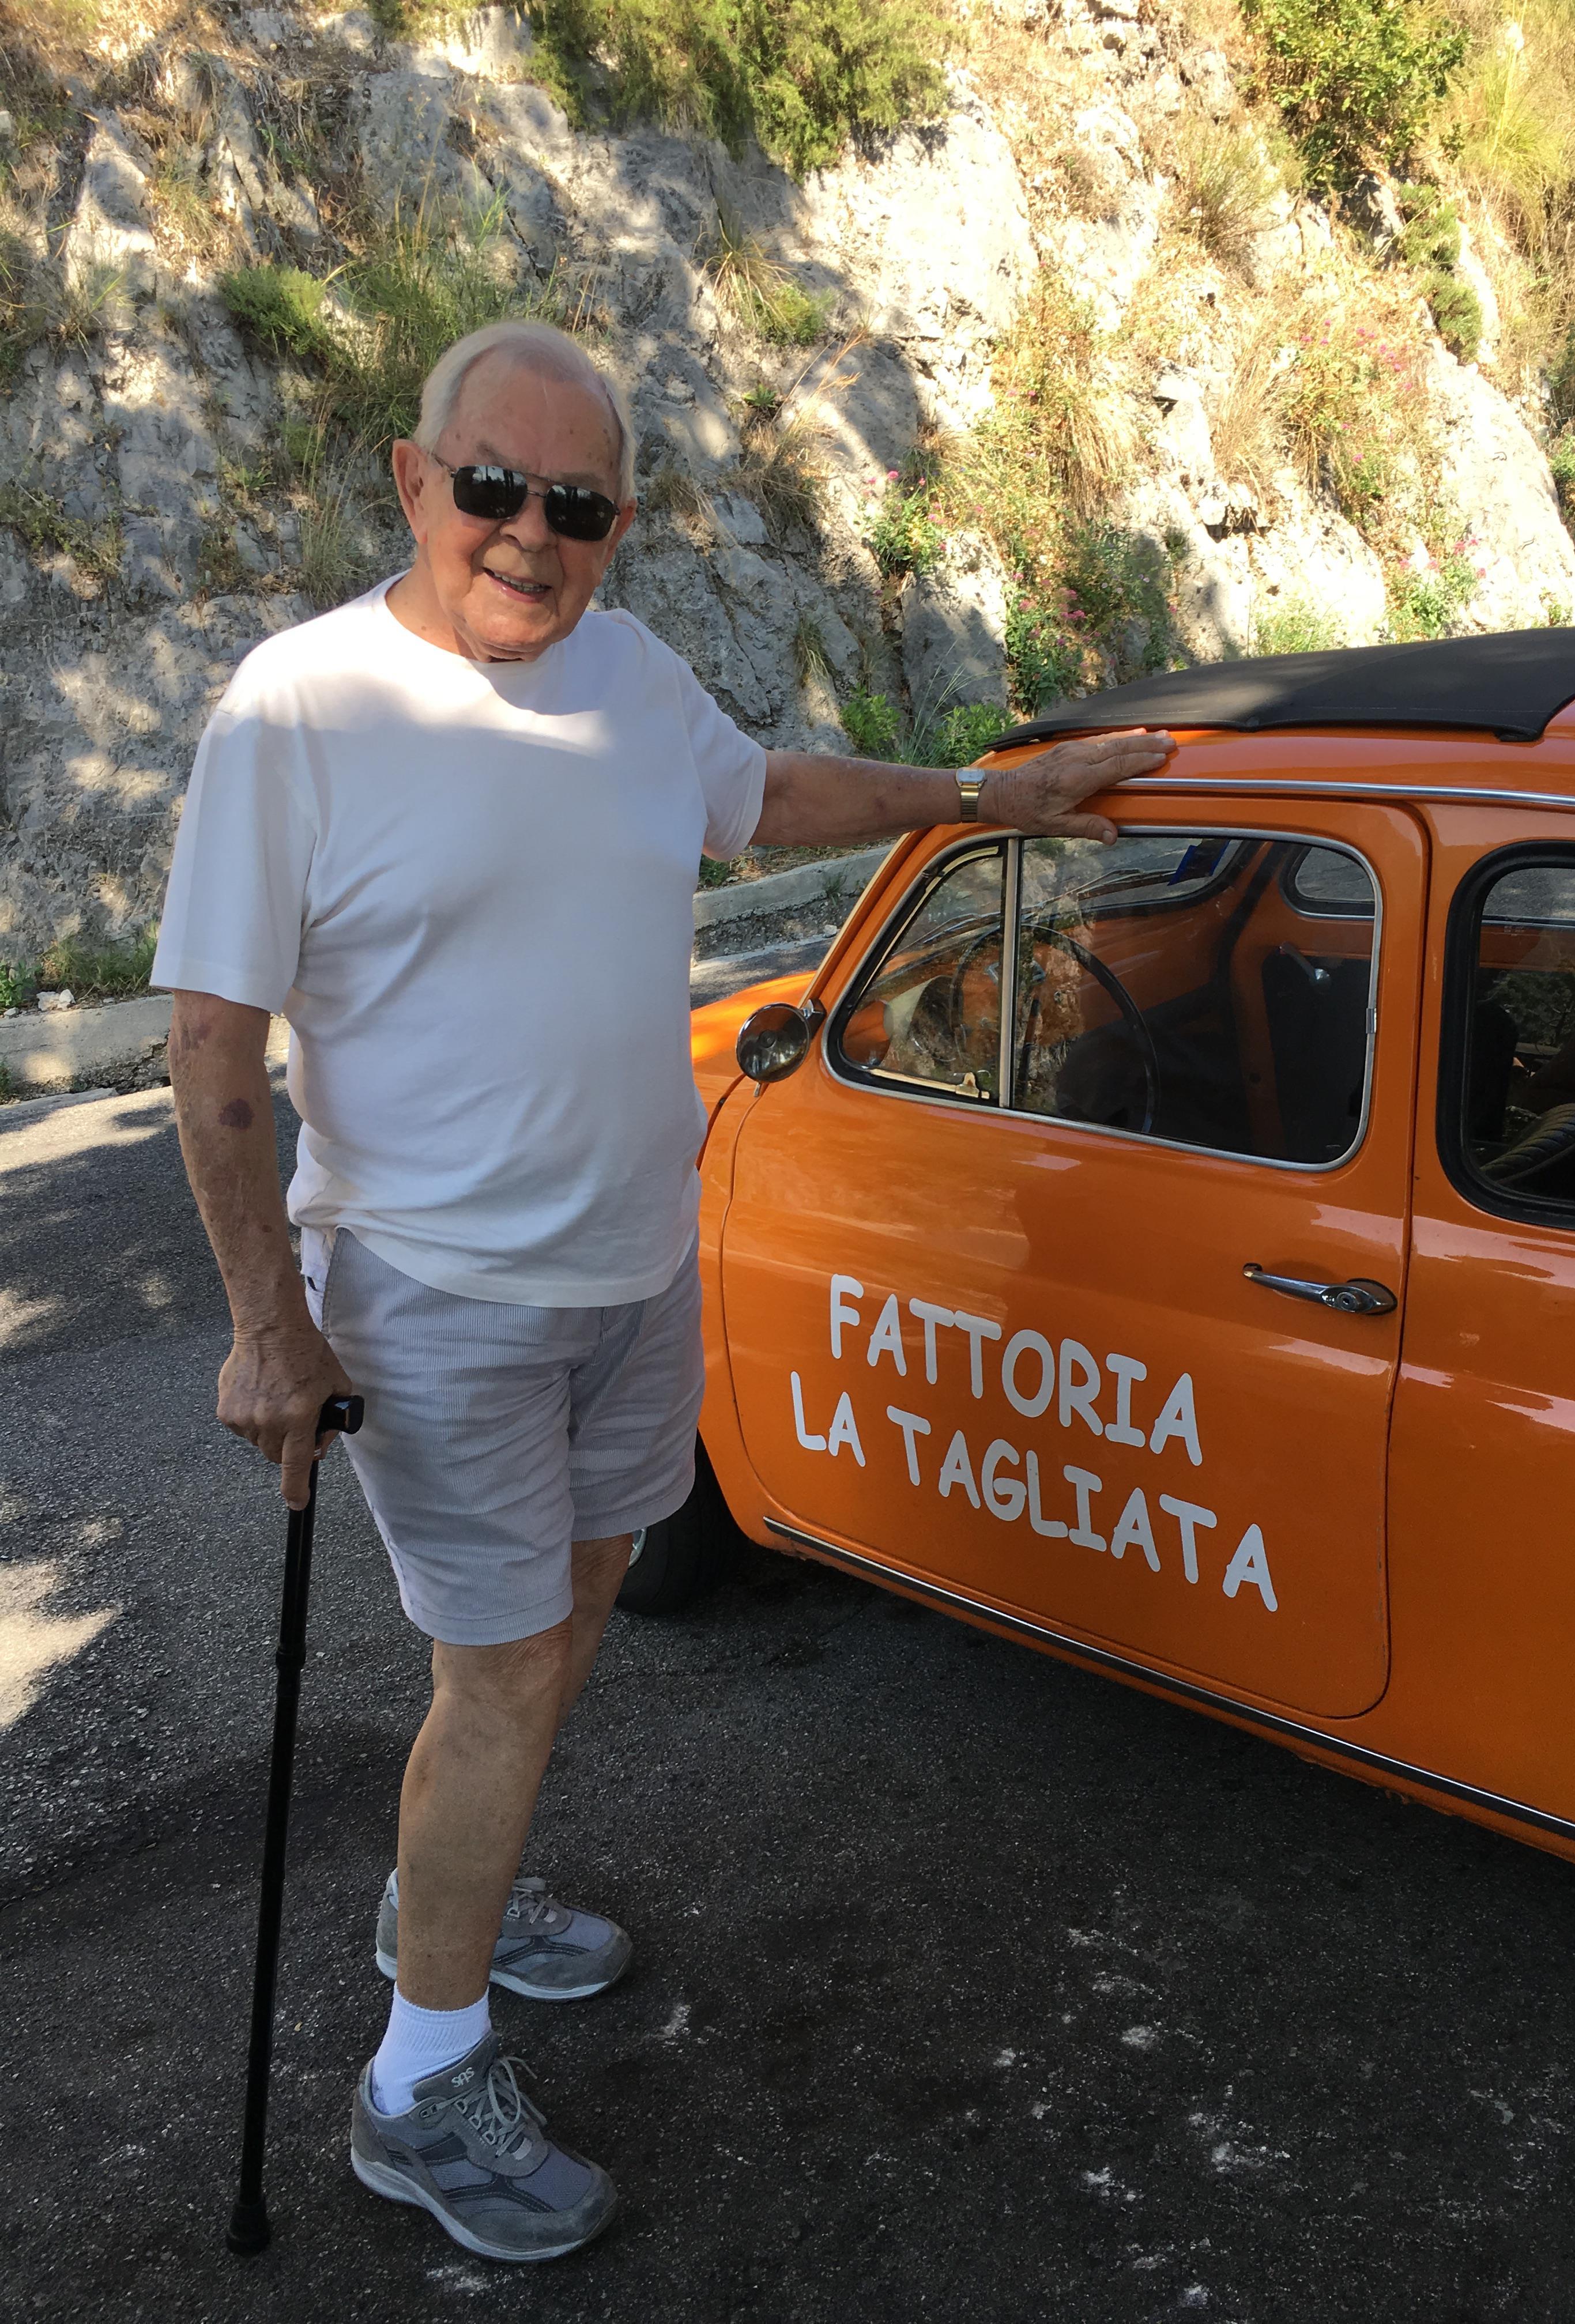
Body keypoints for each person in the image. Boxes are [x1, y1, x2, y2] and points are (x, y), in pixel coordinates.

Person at [155, 316, 1176, 2264]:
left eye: (581, 505)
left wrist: (977, 794)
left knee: (592, 1594)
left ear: (620, 524)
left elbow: (763, 794)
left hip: (638, 1266)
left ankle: (447, 1897)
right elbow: (211, 1054)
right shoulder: (301, 708)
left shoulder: (629, 677)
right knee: (505, 1665)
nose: (533, 535)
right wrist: (266, 1326)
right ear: (412, 478)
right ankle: (416, 2082)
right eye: (495, 490)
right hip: (434, 1292)